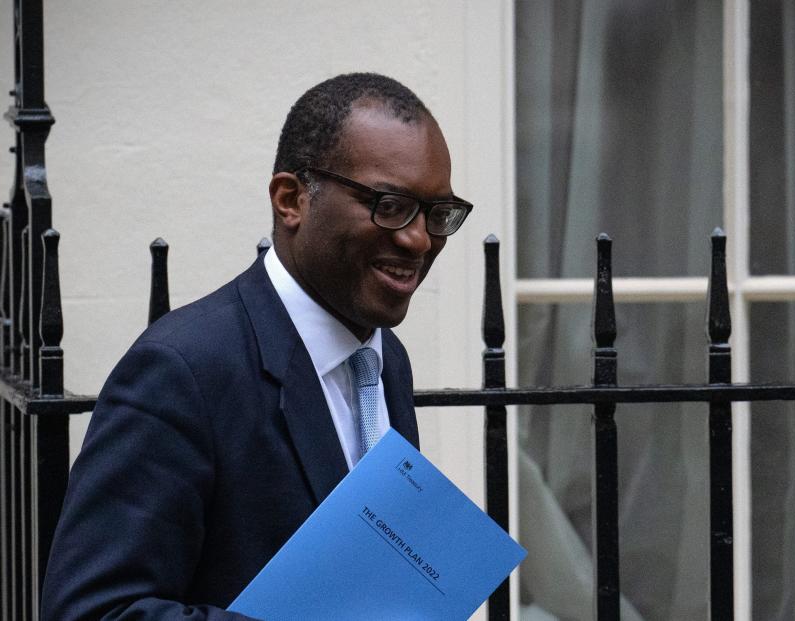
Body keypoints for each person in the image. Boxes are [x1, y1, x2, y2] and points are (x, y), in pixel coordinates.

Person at [40, 73, 472, 620]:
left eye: (438, 214)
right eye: (389, 205)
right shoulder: (182, 371)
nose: (418, 239)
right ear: (291, 199)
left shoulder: (384, 361)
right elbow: (92, 611)